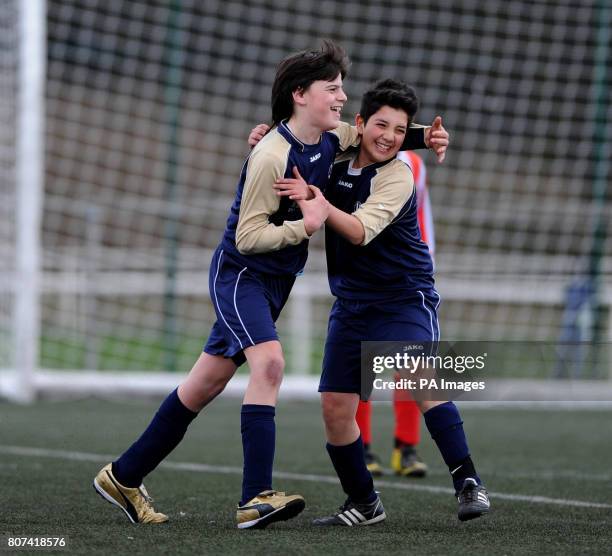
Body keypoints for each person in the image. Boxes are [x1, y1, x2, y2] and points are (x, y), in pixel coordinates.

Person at [92, 41, 442, 530]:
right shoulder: (270, 155)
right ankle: (255, 496)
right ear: (301, 94)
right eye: (333, 89)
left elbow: (374, 137)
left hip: (274, 284)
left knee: (203, 385)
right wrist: (307, 225)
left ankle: (122, 476)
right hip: (241, 277)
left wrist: (425, 137)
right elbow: (248, 237)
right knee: (271, 363)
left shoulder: (329, 137)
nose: (343, 99)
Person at [265, 79, 490, 526]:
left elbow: (359, 230)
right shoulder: (337, 154)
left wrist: (320, 203)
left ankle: (468, 482)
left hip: (404, 297)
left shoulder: (400, 174)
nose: (388, 136)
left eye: (399, 129)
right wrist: (264, 139)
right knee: (334, 408)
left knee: (417, 374)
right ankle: (364, 503)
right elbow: (299, 143)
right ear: (361, 123)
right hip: (352, 303)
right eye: (380, 124)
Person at [357, 149, 433, 479]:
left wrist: (425, 268)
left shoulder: (414, 164)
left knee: (413, 361)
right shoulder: (351, 161)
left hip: (406, 281)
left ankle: (407, 448)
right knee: (362, 362)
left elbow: (422, 221)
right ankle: (360, 447)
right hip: (364, 278)